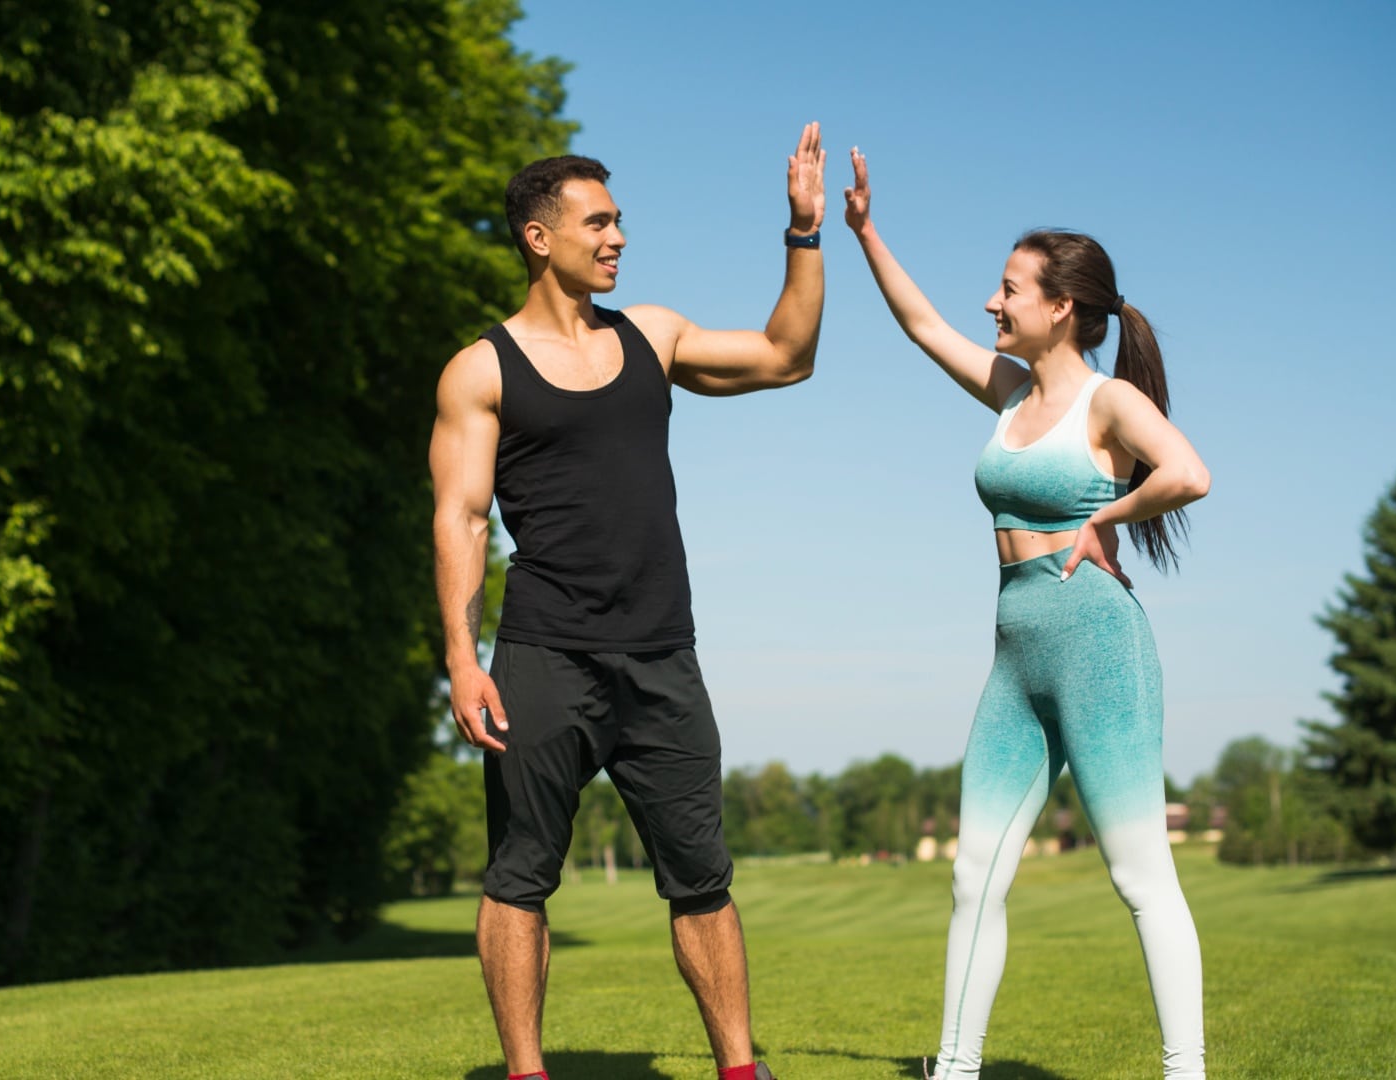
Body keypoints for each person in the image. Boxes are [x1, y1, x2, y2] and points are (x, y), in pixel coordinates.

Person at [429, 124, 828, 1080]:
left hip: (663, 657)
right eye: (597, 222)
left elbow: (787, 355)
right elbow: (462, 516)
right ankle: (527, 1073)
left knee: (702, 878)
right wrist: (460, 655)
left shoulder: (651, 333)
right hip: (543, 657)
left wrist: (804, 235)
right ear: (539, 236)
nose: (616, 238)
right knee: (521, 878)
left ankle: (740, 1069)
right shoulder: (481, 369)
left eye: (619, 222)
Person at [840, 147, 1211, 1079]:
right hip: (1014, 654)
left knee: (1138, 876)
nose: (992, 304)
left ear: (1061, 308)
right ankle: (956, 1068)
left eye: (1009, 290)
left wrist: (1109, 519)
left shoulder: (1106, 400)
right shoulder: (1010, 395)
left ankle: (1187, 1072)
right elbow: (924, 326)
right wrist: (863, 231)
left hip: (1095, 643)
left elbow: (1189, 474)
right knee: (973, 875)